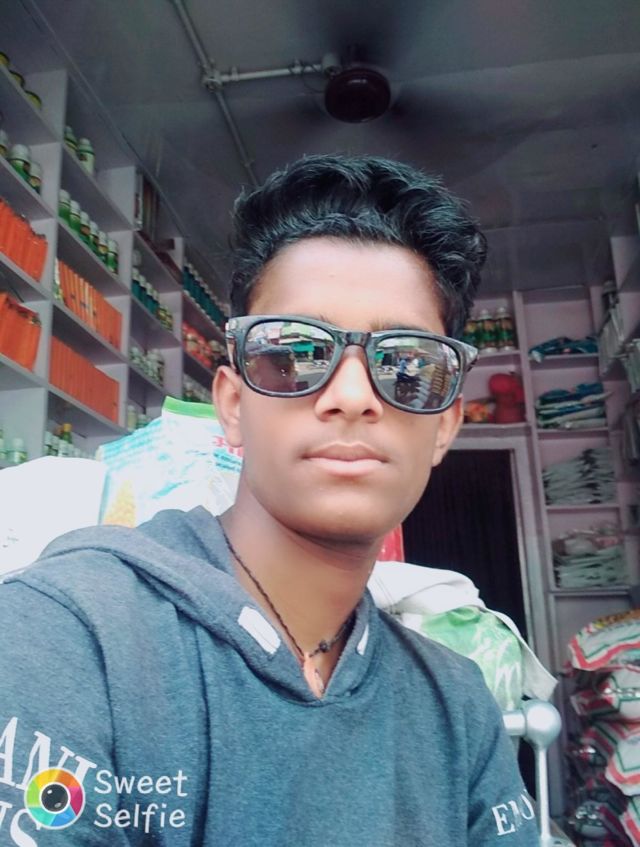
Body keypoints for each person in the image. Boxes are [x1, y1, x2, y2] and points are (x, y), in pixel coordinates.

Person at [0, 154, 539, 846]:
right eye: (293, 353)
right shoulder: (66, 637)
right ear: (232, 406)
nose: (352, 396)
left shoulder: (458, 707)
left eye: (407, 363)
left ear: (445, 426)